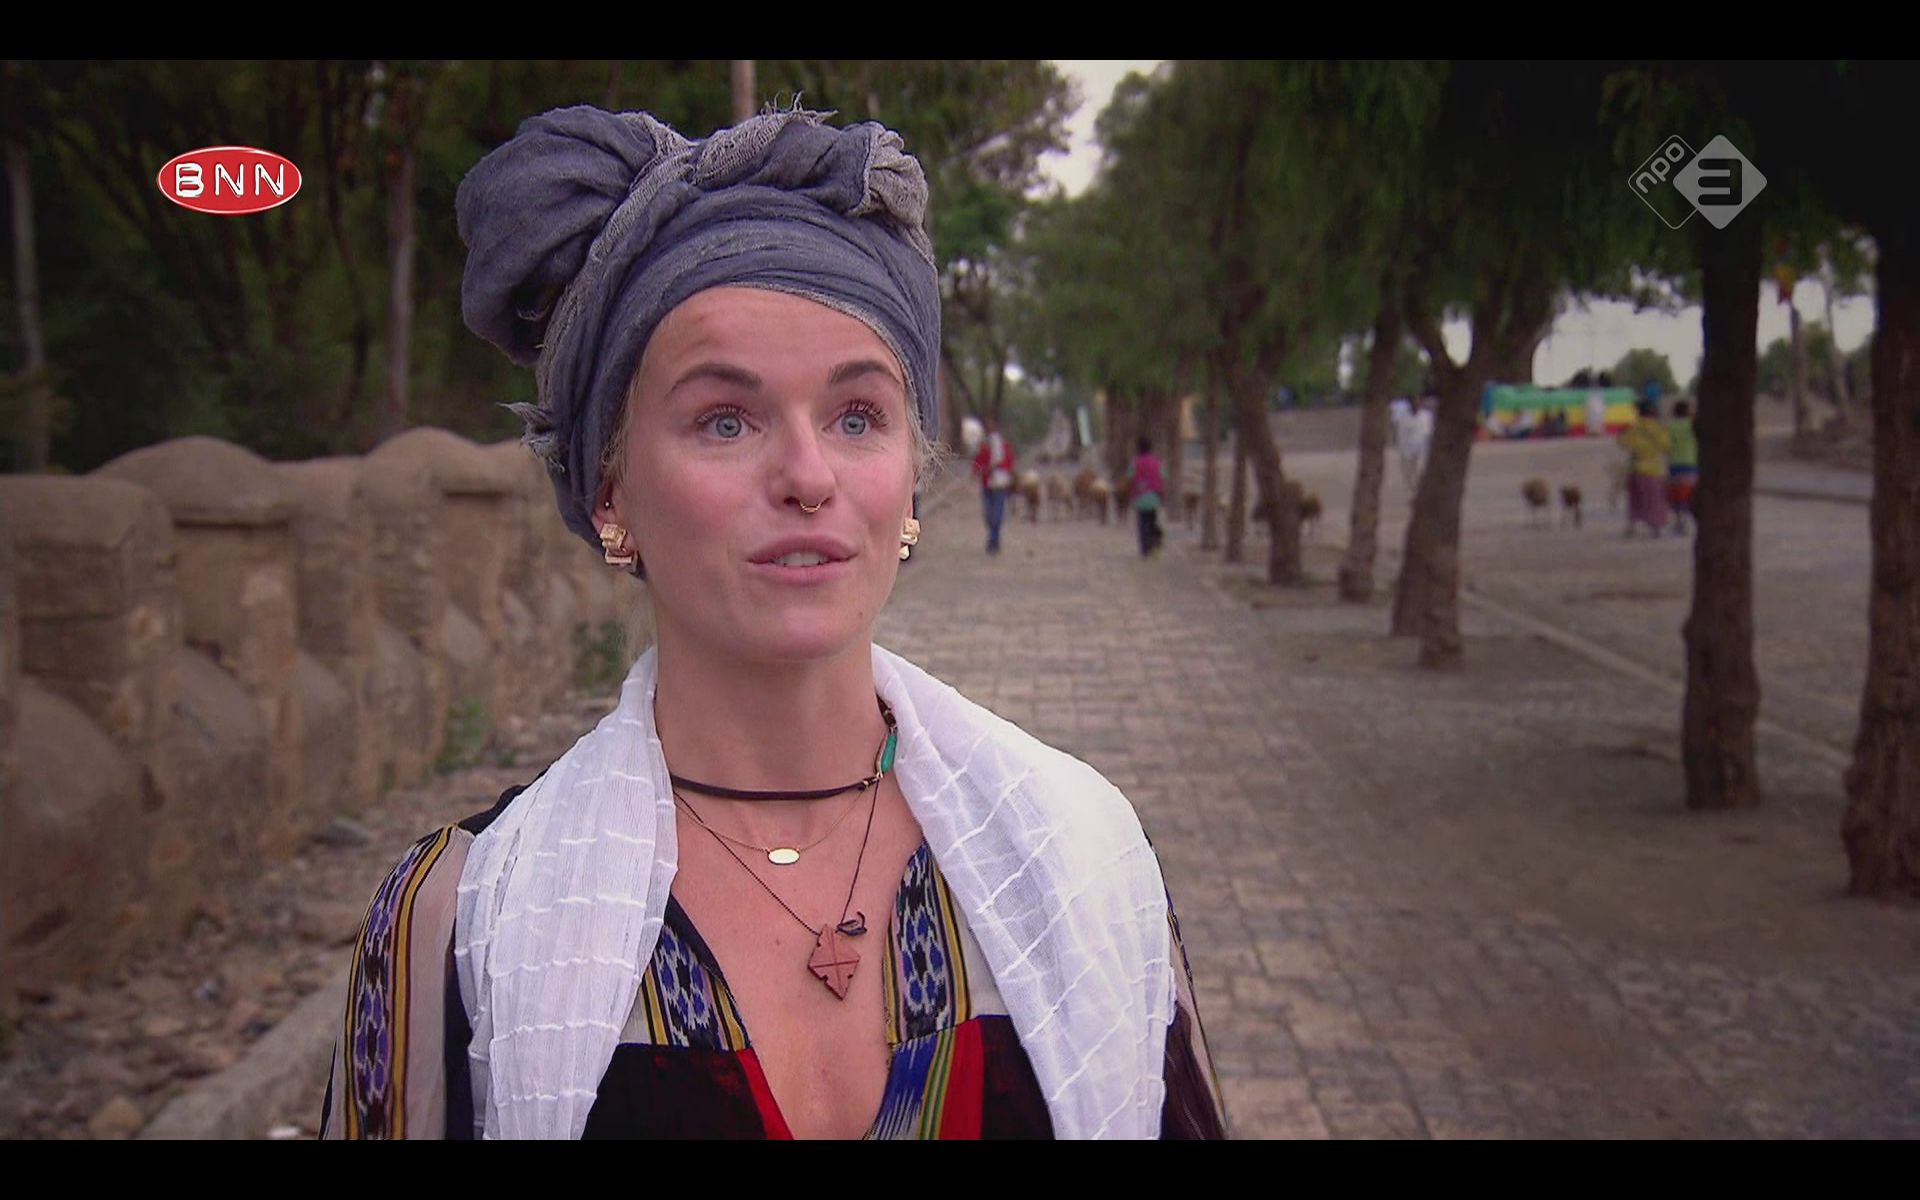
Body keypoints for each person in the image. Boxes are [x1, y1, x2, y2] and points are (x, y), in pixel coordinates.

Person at [319, 104, 1224, 1141]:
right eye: (725, 420)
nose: (807, 475)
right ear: (609, 490)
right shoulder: (460, 922)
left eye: (857, 416)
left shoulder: (1085, 859)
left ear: (911, 477)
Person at [1616, 397, 1672, 537]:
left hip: (1636, 469)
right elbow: (1666, 446)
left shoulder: (1634, 428)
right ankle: (1655, 527)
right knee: (1655, 500)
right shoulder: (1660, 428)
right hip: (1654, 470)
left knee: (1635, 500)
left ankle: (1632, 527)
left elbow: (1623, 443)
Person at [972, 417, 1016, 555]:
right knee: (988, 515)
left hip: (1000, 484)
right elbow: (977, 463)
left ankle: (993, 541)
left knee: (997, 514)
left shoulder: (1005, 446)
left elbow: (1009, 464)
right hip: (987, 484)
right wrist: (980, 470)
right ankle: (993, 537)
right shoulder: (984, 447)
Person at [1127, 436, 1166, 558]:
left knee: (1142, 523)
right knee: (1152, 520)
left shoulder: (1135, 462)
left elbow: (1129, 476)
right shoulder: (1157, 462)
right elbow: (1163, 476)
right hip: (1154, 497)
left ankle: (1144, 549)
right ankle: (1153, 545)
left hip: (1140, 497)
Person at [1666, 399, 1699, 535]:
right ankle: (1685, 522)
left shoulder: (1670, 426)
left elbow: (1666, 444)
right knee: (1689, 494)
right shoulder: (1693, 426)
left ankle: (1678, 521)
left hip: (1674, 464)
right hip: (1691, 463)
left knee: (1677, 494)